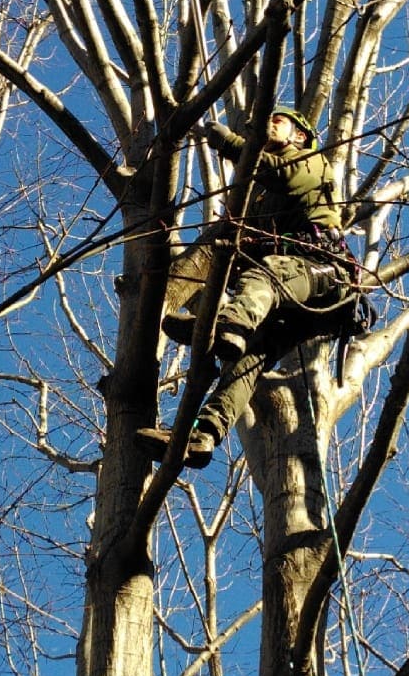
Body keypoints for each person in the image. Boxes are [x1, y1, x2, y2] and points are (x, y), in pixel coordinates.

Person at [137, 106, 359, 470]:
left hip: (323, 272)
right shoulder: (261, 199)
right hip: (290, 303)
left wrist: (226, 141)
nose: (266, 125)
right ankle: (202, 435)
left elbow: (283, 176)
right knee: (245, 361)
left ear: (299, 135)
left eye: (277, 121)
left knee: (268, 274)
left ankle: (227, 325)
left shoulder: (310, 162)